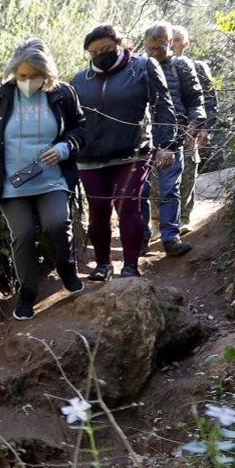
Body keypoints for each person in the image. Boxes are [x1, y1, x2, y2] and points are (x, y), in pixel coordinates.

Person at [0, 38, 87, 321]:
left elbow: (80, 129)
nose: (27, 81)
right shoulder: (0, 96)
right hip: (11, 182)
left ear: (47, 74)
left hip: (51, 177)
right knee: (23, 233)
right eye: (22, 76)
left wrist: (66, 147)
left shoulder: (62, 93)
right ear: (14, 72)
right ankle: (27, 292)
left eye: (34, 76)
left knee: (57, 222)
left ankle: (67, 269)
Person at [70, 24, 179, 280]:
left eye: (106, 48)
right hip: (90, 158)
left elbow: (163, 106)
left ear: (121, 44)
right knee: (98, 213)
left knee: (128, 208)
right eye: (93, 51)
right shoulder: (79, 80)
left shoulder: (143, 67)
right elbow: (71, 120)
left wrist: (167, 144)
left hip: (132, 153)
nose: (100, 54)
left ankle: (130, 266)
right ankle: (102, 265)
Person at [140, 22, 206, 257]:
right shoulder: (139, 66)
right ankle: (142, 237)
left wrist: (195, 125)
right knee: (142, 190)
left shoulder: (182, 66)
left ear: (169, 43)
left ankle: (171, 237)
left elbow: (196, 101)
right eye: (148, 48)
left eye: (157, 48)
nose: (152, 53)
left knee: (171, 188)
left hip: (175, 136)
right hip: (144, 138)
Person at [171, 25, 219, 232]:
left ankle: (183, 219)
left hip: (190, 128)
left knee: (188, 172)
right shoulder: (153, 66)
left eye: (177, 39)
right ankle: (158, 222)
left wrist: (206, 128)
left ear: (186, 44)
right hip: (162, 130)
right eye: (169, 39)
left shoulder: (197, 67)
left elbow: (210, 99)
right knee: (159, 176)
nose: (172, 43)